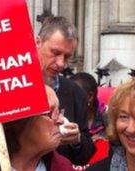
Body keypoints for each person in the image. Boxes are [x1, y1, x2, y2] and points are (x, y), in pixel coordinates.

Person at [0, 85, 74, 171]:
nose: (60, 120)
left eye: (59, 111)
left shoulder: (63, 166)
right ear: (20, 122)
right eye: (51, 112)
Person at [36, 16, 95, 165]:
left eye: (67, 57)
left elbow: (85, 156)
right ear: (37, 42)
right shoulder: (12, 87)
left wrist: (77, 140)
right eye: (55, 53)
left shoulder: (76, 94)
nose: (61, 64)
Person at [70, 72, 109, 164]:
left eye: (74, 95)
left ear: (90, 96)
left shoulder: (108, 118)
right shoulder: (66, 118)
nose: (70, 99)